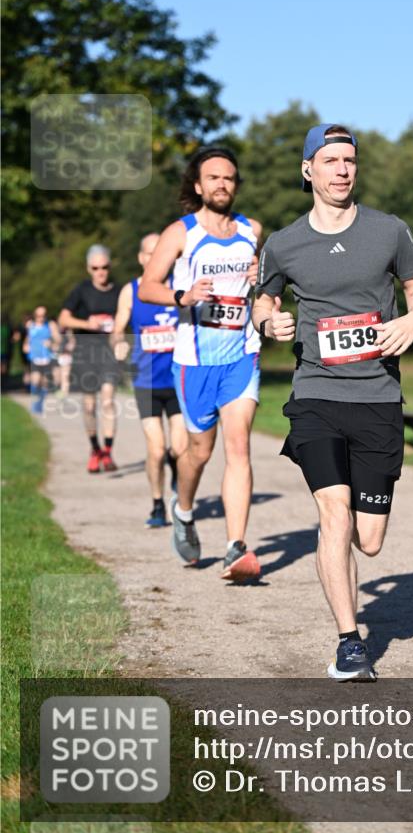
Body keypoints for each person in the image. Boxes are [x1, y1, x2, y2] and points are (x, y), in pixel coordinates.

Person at [252, 123, 413, 681]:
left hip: (378, 395)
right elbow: (263, 299)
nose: (342, 170)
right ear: (309, 169)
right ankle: (349, 643)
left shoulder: (389, 231)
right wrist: (269, 320)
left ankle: (345, 565)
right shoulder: (283, 242)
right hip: (315, 395)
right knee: (333, 515)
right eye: (330, 160)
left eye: (349, 160)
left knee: (369, 540)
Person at [140, 145, 263, 581]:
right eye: (213, 177)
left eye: (228, 177)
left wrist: (262, 283)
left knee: (238, 446)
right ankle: (184, 509)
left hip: (241, 354)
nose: (222, 184)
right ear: (199, 185)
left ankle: (235, 547)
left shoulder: (253, 230)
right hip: (194, 361)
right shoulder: (182, 233)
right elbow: (147, 288)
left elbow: (266, 293)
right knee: (198, 452)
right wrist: (184, 297)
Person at [112, 233, 188, 528]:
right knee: (156, 449)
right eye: (150, 253)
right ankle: (157, 503)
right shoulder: (130, 291)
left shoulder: (180, 289)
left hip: (179, 379)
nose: (155, 257)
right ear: (142, 258)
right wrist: (118, 344)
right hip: (147, 382)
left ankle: (177, 494)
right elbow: (118, 327)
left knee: (180, 449)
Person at [59, 245, 122, 473]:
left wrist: (120, 336)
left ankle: (107, 451)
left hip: (108, 354)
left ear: (109, 266)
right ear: (89, 269)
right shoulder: (81, 291)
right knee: (89, 406)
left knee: (107, 402)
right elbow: (64, 319)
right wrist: (87, 324)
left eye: (104, 267)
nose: (101, 272)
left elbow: (126, 321)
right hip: (85, 354)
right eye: (96, 268)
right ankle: (94, 449)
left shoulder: (119, 292)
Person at [24, 305, 60, 413]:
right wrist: (26, 345)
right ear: (35, 315)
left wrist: (51, 342)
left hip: (47, 357)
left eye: (43, 315)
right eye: (38, 315)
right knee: (35, 381)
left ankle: (39, 404)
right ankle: (37, 401)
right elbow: (28, 338)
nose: (41, 318)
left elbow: (58, 339)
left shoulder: (50, 325)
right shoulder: (30, 325)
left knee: (44, 382)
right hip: (34, 357)